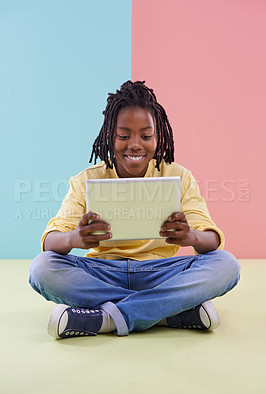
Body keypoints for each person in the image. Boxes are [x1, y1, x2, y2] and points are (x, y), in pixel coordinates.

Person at [29, 80, 240, 339]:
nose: (136, 144)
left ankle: (106, 318)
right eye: (124, 135)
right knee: (42, 268)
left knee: (226, 264)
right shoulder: (87, 179)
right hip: (104, 272)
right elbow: (51, 241)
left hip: (161, 272)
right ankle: (165, 312)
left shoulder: (178, 176)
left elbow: (211, 241)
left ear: (158, 136)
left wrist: (190, 236)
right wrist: (75, 238)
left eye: (146, 135)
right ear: (109, 136)